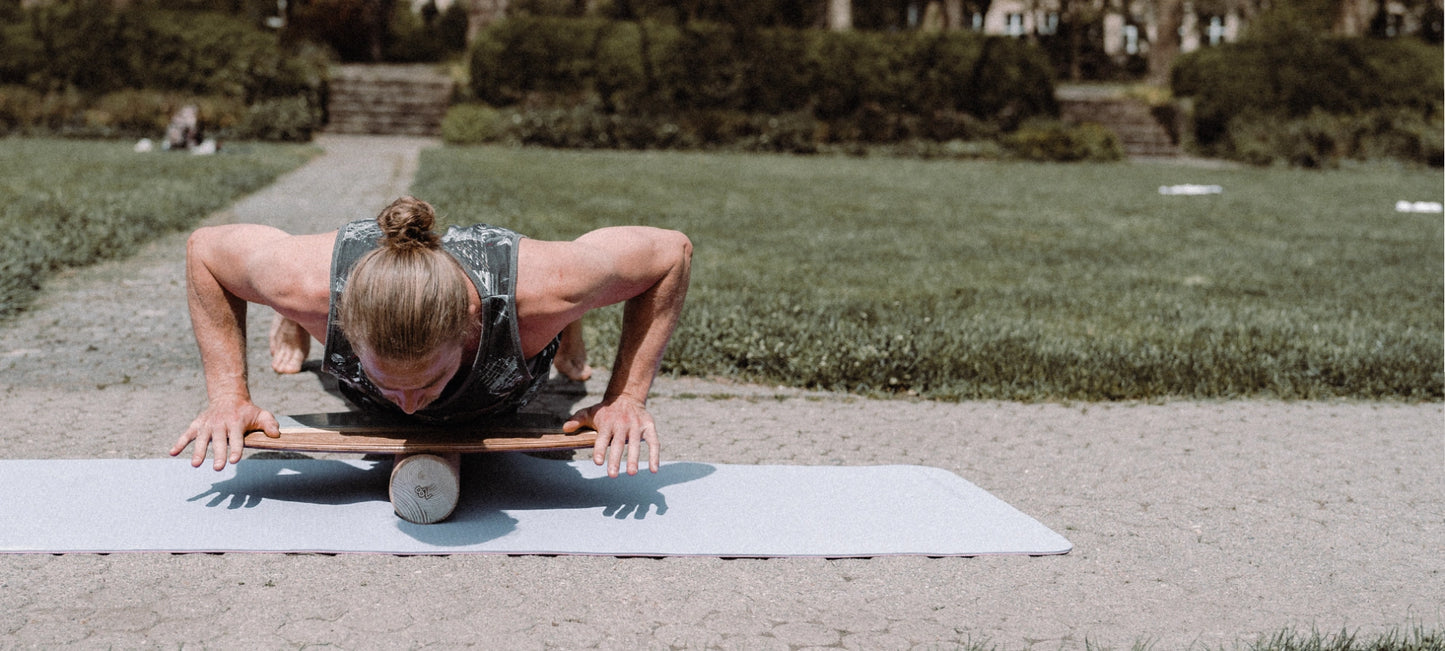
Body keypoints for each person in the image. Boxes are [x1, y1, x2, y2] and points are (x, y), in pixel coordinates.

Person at [170, 196, 692, 478]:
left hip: (521, 336)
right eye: (391, 384)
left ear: (468, 327)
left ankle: (569, 324)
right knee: (292, 295)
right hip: (322, 300)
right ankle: (294, 321)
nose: (411, 409)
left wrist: (625, 397)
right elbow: (206, 251)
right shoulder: (306, 285)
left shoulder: (540, 289)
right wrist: (228, 397)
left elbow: (671, 253)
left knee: (568, 299)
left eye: (428, 381)